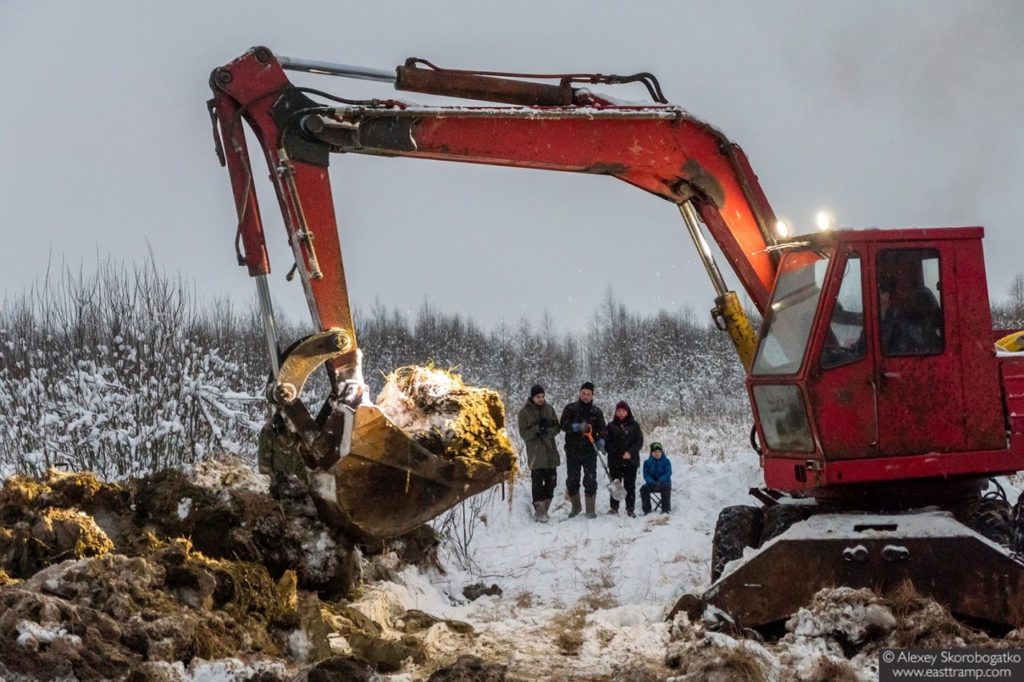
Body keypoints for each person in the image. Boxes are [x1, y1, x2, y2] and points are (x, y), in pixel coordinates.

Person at [560, 381, 606, 519]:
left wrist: (601, 441)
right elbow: (563, 425)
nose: (585, 396)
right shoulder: (570, 408)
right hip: (573, 450)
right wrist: (577, 427)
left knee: (590, 480)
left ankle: (590, 509)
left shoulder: (597, 412)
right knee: (573, 480)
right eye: (583, 393)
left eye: (588, 394)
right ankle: (576, 506)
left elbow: (603, 429)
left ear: (592, 396)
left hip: (590, 451)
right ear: (579, 393)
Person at [516, 384, 560, 523]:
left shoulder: (549, 409)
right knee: (537, 484)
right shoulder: (524, 413)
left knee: (551, 482)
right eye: (538, 397)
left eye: (542, 396)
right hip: (535, 453)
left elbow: (557, 427)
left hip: (550, 452)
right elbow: (523, 433)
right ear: (532, 397)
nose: (541, 399)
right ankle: (539, 511)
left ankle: (545, 509)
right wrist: (537, 429)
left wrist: (548, 431)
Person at [604, 400, 643, 517]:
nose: (621, 413)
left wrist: (630, 452)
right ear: (615, 412)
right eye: (619, 411)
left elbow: (639, 441)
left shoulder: (634, 425)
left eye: (623, 411)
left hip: (631, 461)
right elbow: (607, 443)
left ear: (627, 411)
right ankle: (614, 507)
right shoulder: (610, 426)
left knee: (630, 485)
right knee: (615, 484)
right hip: (615, 461)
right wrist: (617, 453)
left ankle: (630, 508)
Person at [640, 442, 672, 514]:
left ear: (661, 452)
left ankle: (665, 509)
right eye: (655, 452)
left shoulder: (666, 461)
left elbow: (668, 473)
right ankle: (647, 510)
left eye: (659, 452)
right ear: (651, 453)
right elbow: (646, 475)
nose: (657, 454)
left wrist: (660, 481)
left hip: (664, 483)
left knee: (666, 487)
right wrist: (651, 482)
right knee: (643, 489)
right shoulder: (647, 462)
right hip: (652, 483)